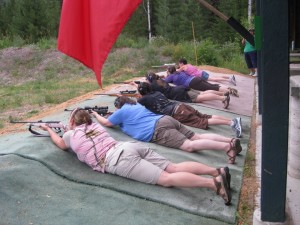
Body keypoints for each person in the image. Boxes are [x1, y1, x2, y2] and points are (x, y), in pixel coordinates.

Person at [40, 108, 232, 205]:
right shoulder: (95, 125)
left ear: (72, 122)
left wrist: (49, 129)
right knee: (173, 167)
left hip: (116, 160)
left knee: (167, 179)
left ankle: (213, 184)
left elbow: (61, 144)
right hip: (129, 147)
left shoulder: (70, 134)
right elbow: (83, 131)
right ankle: (217, 170)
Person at [94, 96, 242, 164]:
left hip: (157, 130)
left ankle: (227, 147)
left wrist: (95, 114)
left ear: (118, 106)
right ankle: (230, 140)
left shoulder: (121, 112)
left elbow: (106, 123)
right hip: (165, 119)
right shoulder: (136, 105)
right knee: (196, 137)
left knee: (189, 146)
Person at [134, 82, 242, 137]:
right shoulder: (157, 92)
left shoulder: (143, 100)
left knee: (203, 121)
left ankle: (232, 123)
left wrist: (138, 97)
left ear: (141, 92)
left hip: (177, 113)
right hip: (181, 106)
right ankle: (232, 120)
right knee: (205, 116)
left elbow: (136, 106)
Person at [145, 72, 230, 107]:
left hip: (179, 93)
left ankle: (223, 98)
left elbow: (147, 92)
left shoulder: (153, 85)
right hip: (181, 88)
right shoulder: (160, 80)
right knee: (202, 94)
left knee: (200, 98)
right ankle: (222, 95)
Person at [165, 66, 239, 97]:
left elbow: (164, 80)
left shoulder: (171, 76)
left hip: (192, 83)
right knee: (212, 85)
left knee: (212, 88)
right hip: (196, 78)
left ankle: (230, 91)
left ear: (169, 72)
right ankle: (228, 88)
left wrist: (166, 75)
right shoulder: (180, 72)